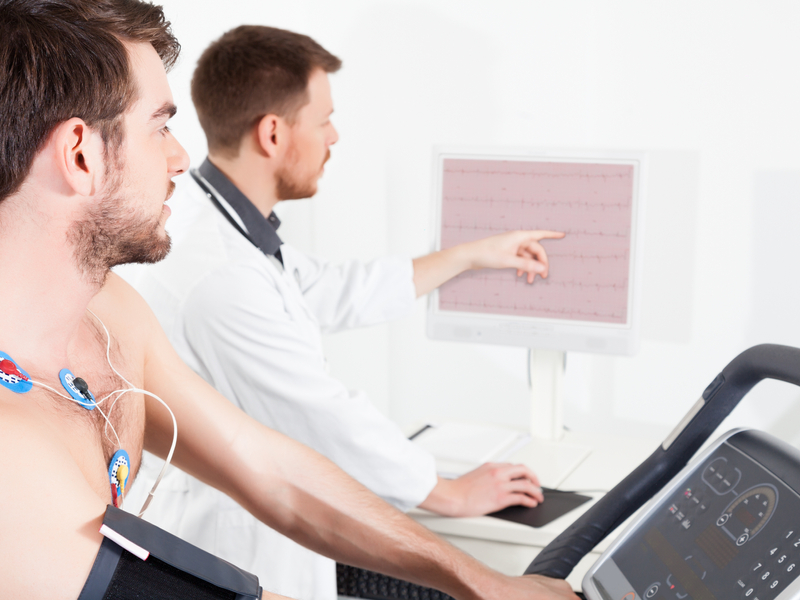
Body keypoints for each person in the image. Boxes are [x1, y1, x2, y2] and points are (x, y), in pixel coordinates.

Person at [0, 1, 581, 599]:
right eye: (160, 126)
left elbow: (265, 466)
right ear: (80, 154)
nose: (179, 157)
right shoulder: (11, 458)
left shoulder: (110, 313)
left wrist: (478, 581)